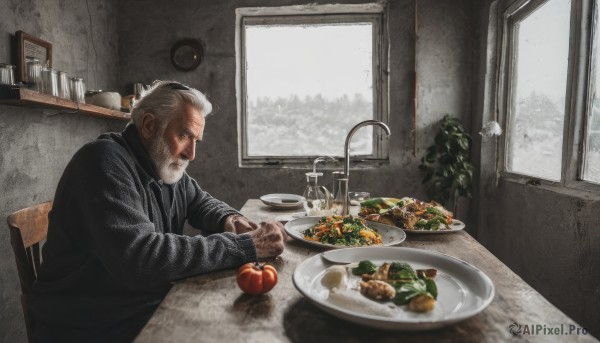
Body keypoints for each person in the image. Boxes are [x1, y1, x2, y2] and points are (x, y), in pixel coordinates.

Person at [28, 80, 287, 342]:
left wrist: (230, 218)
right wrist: (243, 246)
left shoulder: (163, 164)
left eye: (196, 140)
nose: (192, 153)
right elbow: (141, 258)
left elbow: (200, 201)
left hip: (139, 306)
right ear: (150, 125)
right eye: (185, 135)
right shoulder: (102, 162)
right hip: (91, 326)